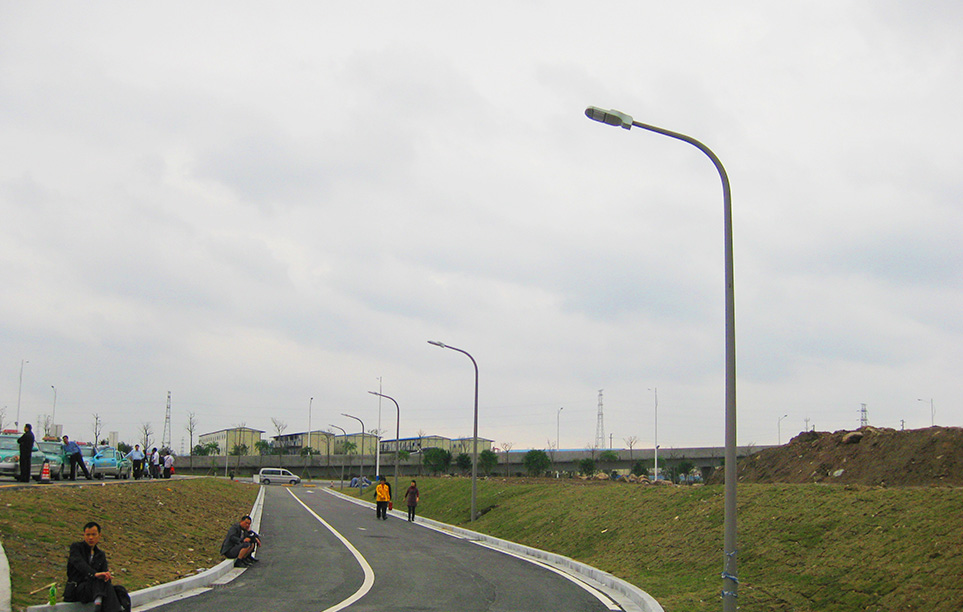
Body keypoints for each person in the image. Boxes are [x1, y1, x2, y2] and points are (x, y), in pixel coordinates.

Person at [64, 521, 125, 612]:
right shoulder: (76, 548)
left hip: (95, 590)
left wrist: (106, 576)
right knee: (99, 583)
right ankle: (99, 603)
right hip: (78, 589)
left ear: (99, 535)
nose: (90, 538)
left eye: (93, 534)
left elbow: (104, 573)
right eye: (88, 535)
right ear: (84, 535)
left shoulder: (100, 554)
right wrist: (95, 574)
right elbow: (79, 564)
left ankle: (99, 603)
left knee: (119, 589)